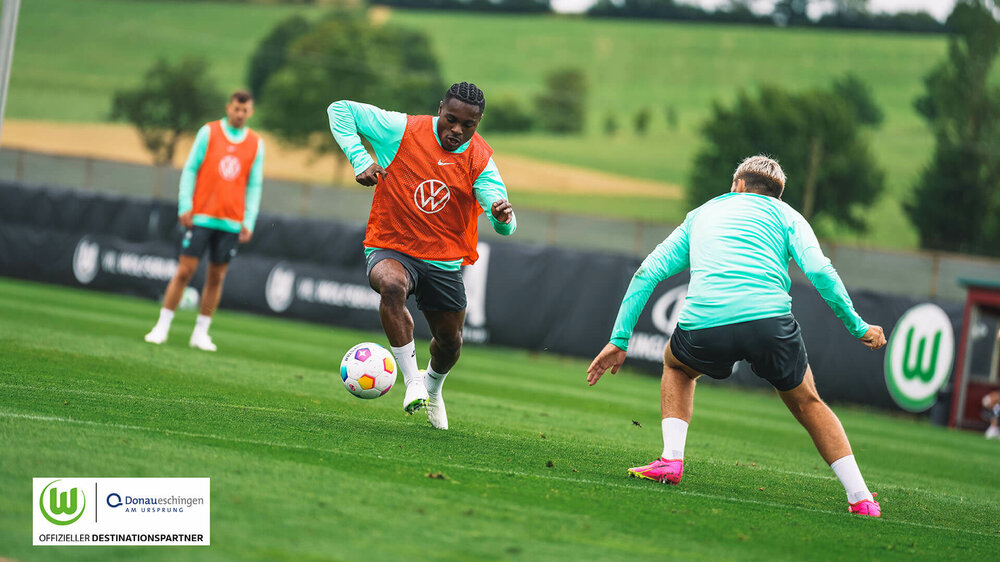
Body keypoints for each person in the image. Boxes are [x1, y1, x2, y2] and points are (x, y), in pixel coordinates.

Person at [587, 155, 887, 517]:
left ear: (739, 185)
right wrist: (858, 326)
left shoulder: (702, 213)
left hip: (706, 322)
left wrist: (620, 340)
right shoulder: (788, 216)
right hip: (769, 323)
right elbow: (820, 272)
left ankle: (671, 459)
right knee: (809, 402)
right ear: (777, 195)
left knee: (677, 367)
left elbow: (647, 272)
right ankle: (862, 499)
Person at [328, 82, 516, 429]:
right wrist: (360, 158)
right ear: (440, 108)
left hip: (443, 260)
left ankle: (432, 387)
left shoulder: (480, 160)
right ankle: (412, 380)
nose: (456, 130)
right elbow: (340, 109)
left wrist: (503, 217)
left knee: (450, 342)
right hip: (391, 244)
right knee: (392, 286)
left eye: (467, 125)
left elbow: (501, 216)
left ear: (478, 123)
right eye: (450, 119)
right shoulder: (401, 128)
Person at [144, 90, 264, 351]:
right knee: (184, 271)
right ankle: (162, 326)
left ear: (250, 112)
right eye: (236, 109)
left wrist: (249, 220)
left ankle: (201, 332)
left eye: (245, 110)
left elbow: (254, 185)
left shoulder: (256, 143)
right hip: (201, 216)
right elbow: (190, 168)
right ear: (228, 108)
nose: (240, 114)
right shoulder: (208, 132)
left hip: (231, 221)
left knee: (216, 277)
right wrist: (185, 204)